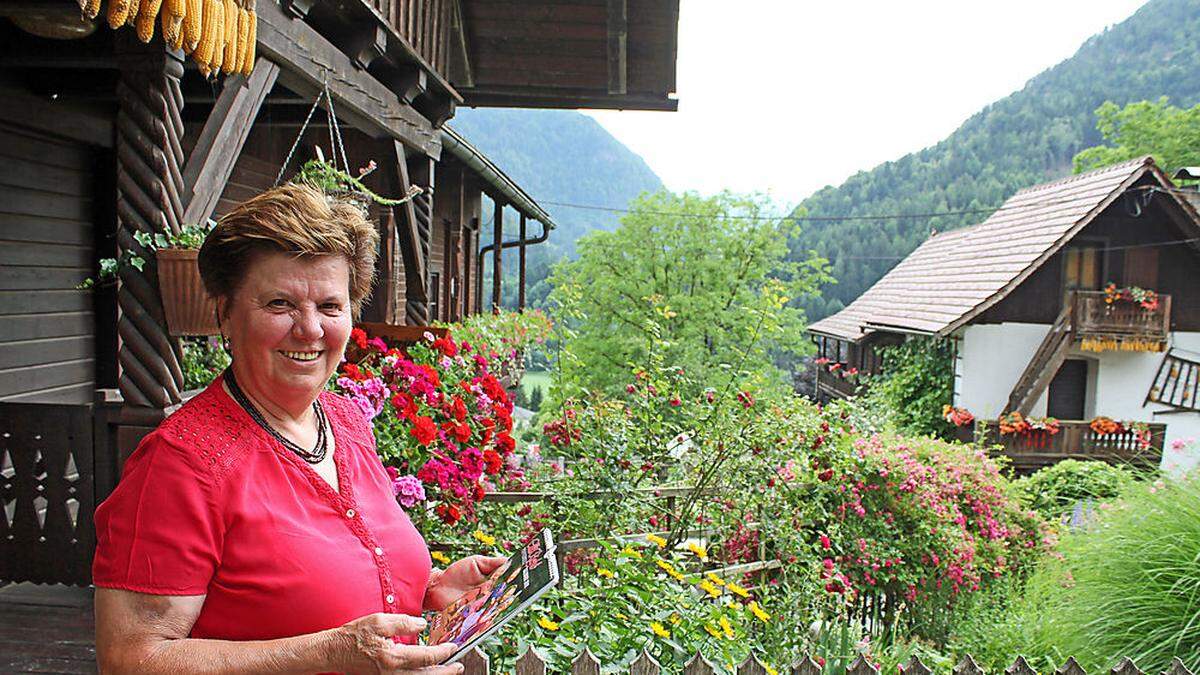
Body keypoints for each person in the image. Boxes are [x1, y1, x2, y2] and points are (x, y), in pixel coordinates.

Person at [92, 184, 504, 674]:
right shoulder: (182, 464)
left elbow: (320, 581)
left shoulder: (346, 422)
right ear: (225, 311)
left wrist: (433, 590)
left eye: (330, 306)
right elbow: (133, 660)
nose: (310, 330)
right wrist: (328, 653)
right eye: (280, 304)